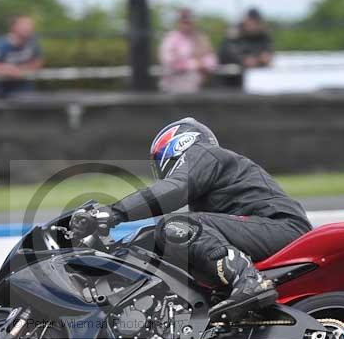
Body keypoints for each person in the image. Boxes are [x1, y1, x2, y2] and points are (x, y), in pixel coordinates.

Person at [71, 118, 312, 317]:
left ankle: (249, 280)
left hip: (281, 227)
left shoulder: (204, 153)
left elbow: (175, 189)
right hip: (265, 230)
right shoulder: (210, 180)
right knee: (165, 237)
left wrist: (114, 212)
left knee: (177, 225)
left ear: (178, 144)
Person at [158, 9, 217, 94]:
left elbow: (212, 61)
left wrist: (203, 64)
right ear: (179, 22)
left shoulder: (201, 38)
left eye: (189, 22)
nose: (187, 25)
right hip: (173, 87)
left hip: (197, 88)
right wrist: (193, 64)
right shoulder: (171, 39)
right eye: (184, 21)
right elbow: (167, 60)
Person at [0, 15, 44, 98]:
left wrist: (22, 69)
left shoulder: (33, 43)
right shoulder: (0, 44)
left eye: (30, 25)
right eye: (24, 25)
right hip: (3, 94)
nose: (28, 28)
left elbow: (38, 62)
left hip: (26, 94)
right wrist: (7, 70)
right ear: (13, 27)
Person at [217, 8, 273, 89]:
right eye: (251, 21)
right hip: (232, 79)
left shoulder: (263, 37)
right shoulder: (234, 35)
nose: (252, 25)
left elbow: (268, 51)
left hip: (258, 80)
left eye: (255, 22)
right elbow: (225, 53)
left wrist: (265, 57)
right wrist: (243, 60)